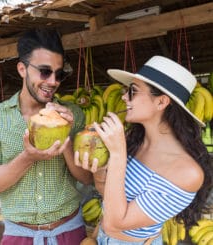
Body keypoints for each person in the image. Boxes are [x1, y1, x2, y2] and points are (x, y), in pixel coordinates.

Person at [75, 55, 213, 244]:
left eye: (133, 91)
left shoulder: (188, 173)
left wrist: (117, 155)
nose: (124, 97)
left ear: (161, 102)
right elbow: (106, 193)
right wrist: (100, 168)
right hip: (101, 237)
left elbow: (116, 222)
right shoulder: (134, 142)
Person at [0, 28, 93, 245]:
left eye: (59, 74)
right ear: (22, 69)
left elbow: (86, 178)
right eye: (44, 71)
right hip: (19, 235)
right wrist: (28, 157)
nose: (53, 81)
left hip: (70, 231)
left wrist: (65, 137)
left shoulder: (73, 114)